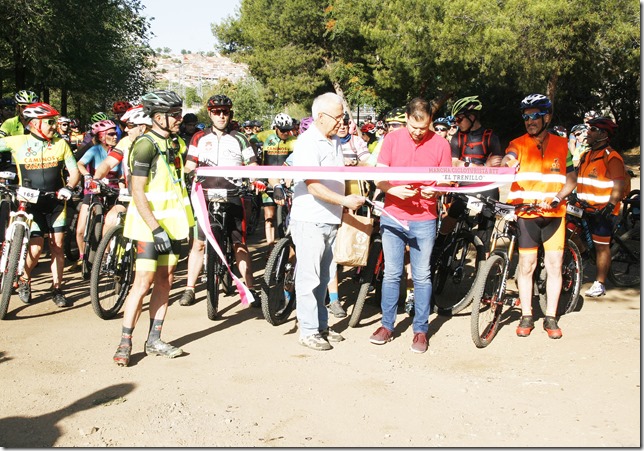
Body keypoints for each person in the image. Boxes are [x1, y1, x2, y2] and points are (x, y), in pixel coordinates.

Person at [113, 90, 194, 366]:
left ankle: (155, 339)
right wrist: (155, 228)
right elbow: (137, 190)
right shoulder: (145, 144)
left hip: (174, 224)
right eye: (175, 115)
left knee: (166, 280)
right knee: (143, 282)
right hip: (149, 226)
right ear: (159, 117)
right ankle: (125, 341)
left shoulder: (177, 143)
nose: (179, 119)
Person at [369, 97, 451, 354]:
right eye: (414, 127)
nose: (418, 133)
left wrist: (435, 191)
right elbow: (377, 178)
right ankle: (386, 325)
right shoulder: (391, 140)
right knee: (392, 273)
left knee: (422, 275)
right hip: (392, 215)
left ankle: (420, 330)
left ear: (430, 123)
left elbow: (447, 182)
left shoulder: (441, 144)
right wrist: (392, 188)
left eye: (424, 128)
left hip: (424, 218)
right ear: (406, 118)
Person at [290, 92, 365, 350]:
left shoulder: (332, 141)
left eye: (343, 116)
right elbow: (313, 186)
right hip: (310, 220)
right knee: (309, 278)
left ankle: (321, 325)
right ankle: (308, 330)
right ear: (320, 117)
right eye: (338, 116)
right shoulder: (307, 143)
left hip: (329, 219)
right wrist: (345, 202)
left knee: (324, 278)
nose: (341, 122)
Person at [501, 93, 577, 339]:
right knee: (526, 266)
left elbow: (571, 178)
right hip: (527, 213)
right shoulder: (518, 143)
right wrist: (506, 163)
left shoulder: (563, 144)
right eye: (526, 116)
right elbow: (508, 158)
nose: (530, 120)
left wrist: (559, 196)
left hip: (554, 214)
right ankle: (526, 314)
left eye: (535, 116)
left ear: (547, 117)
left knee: (555, 266)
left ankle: (551, 318)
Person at [178, 94, 260, 308]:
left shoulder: (240, 137)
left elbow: (252, 165)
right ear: (210, 114)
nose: (221, 116)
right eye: (217, 112)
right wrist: (184, 177)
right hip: (204, 195)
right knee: (198, 244)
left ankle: (250, 289)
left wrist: (256, 179)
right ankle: (189, 289)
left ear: (230, 113)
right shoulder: (198, 137)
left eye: (225, 112)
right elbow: (189, 164)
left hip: (233, 194)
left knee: (239, 244)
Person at [0, 102, 80, 307]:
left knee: (58, 246)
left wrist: (69, 187)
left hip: (55, 202)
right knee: (35, 250)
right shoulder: (18, 142)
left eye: (54, 122)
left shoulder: (61, 144)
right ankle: (25, 279)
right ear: (35, 124)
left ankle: (57, 288)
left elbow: (74, 171)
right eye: (50, 122)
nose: (54, 126)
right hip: (30, 204)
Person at [436, 95, 503, 252]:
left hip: (488, 187)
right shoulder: (457, 138)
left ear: (472, 117)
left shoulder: (490, 137)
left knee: (487, 223)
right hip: (465, 186)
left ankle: (482, 258)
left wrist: (465, 165)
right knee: (452, 214)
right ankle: (438, 246)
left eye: (459, 119)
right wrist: (479, 167)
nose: (457, 123)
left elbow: (496, 167)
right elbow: (453, 164)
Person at [575, 117, 626, 298]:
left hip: (602, 210)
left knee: (601, 246)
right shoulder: (586, 155)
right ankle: (581, 259)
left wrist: (611, 204)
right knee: (569, 231)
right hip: (583, 207)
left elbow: (619, 184)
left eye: (593, 129)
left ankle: (600, 283)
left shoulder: (611, 156)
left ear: (604, 134)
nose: (587, 132)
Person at [75, 120, 124, 271]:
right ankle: (82, 256)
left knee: (113, 221)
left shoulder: (118, 151)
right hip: (93, 190)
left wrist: (122, 190)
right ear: (101, 136)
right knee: (80, 230)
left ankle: (106, 254)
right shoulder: (95, 150)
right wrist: (88, 177)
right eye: (111, 134)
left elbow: (122, 175)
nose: (115, 136)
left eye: (115, 133)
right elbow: (80, 164)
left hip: (112, 191)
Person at [257, 113, 297, 249]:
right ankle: (270, 247)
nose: (286, 133)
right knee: (269, 216)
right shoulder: (265, 135)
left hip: (285, 180)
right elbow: (249, 141)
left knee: (289, 216)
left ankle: (286, 245)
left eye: (288, 130)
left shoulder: (294, 140)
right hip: (268, 179)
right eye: (283, 130)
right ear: (276, 127)